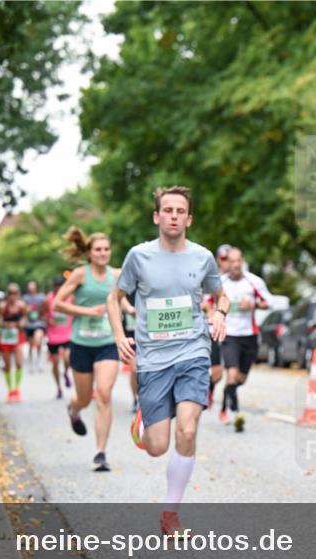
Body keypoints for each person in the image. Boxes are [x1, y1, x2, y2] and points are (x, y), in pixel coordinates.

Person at [108, 185, 228, 538]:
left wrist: (219, 313)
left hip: (193, 352)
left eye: (180, 211)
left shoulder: (203, 257)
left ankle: (171, 514)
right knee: (157, 447)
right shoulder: (139, 256)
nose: (174, 216)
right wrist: (119, 335)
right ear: (156, 216)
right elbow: (114, 298)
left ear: (189, 219)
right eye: (168, 210)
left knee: (187, 430)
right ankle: (144, 420)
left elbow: (221, 295)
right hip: (153, 359)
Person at [54, 227, 121, 472]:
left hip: (108, 343)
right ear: (90, 253)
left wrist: (132, 310)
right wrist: (87, 311)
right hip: (82, 343)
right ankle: (74, 410)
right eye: (98, 249)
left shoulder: (117, 275)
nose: (103, 253)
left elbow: (123, 301)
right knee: (84, 397)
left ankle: (101, 452)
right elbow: (58, 304)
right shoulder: (80, 274)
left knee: (103, 393)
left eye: (106, 249)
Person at [219, 246, 272, 432]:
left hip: (249, 336)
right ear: (227, 263)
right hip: (229, 335)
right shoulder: (220, 283)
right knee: (232, 375)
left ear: (242, 261)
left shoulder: (253, 281)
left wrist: (253, 304)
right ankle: (236, 413)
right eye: (232, 261)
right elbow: (206, 301)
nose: (235, 264)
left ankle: (224, 403)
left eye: (238, 261)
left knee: (240, 379)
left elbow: (269, 302)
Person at [205, 244, 232, 409]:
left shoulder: (245, 280)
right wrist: (207, 308)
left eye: (229, 259)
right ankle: (207, 390)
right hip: (213, 331)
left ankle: (228, 408)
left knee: (233, 374)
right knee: (217, 373)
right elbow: (202, 302)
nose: (227, 262)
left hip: (234, 334)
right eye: (223, 259)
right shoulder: (212, 279)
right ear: (218, 260)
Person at [0, 284, 27, 402]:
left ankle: (17, 389)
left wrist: (21, 323)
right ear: (7, 294)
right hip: (5, 337)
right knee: (7, 365)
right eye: (10, 293)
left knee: (19, 363)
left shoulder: (21, 306)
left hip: (17, 336)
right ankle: (10, 390)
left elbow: (25, 317)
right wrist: (5, 324)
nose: (13, 296)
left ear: (18, 294)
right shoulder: (3, 306)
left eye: (15, 293)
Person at [45, 276, 73, 399]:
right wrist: (48, 320)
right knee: (55, 363)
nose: (58, 289)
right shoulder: (48, 299)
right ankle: (58, 388)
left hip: (68, 334)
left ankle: (66, 373)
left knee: (68, 358)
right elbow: (42, 315)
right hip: (53, 336)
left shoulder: (71, 298)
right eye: (56, 287)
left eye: (60, 287)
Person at [23, 280, 47, 373]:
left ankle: (39, 362)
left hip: (39, 323)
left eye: (33, 286)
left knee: (38, 341)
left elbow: (46, 309)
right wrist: (26, 310)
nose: (31, 288)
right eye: (30, 286)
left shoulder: (41, 297)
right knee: (31, 345)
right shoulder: (25, 298)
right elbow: (22, 310)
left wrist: (42, 313)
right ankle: (31, 364)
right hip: (29, 324)